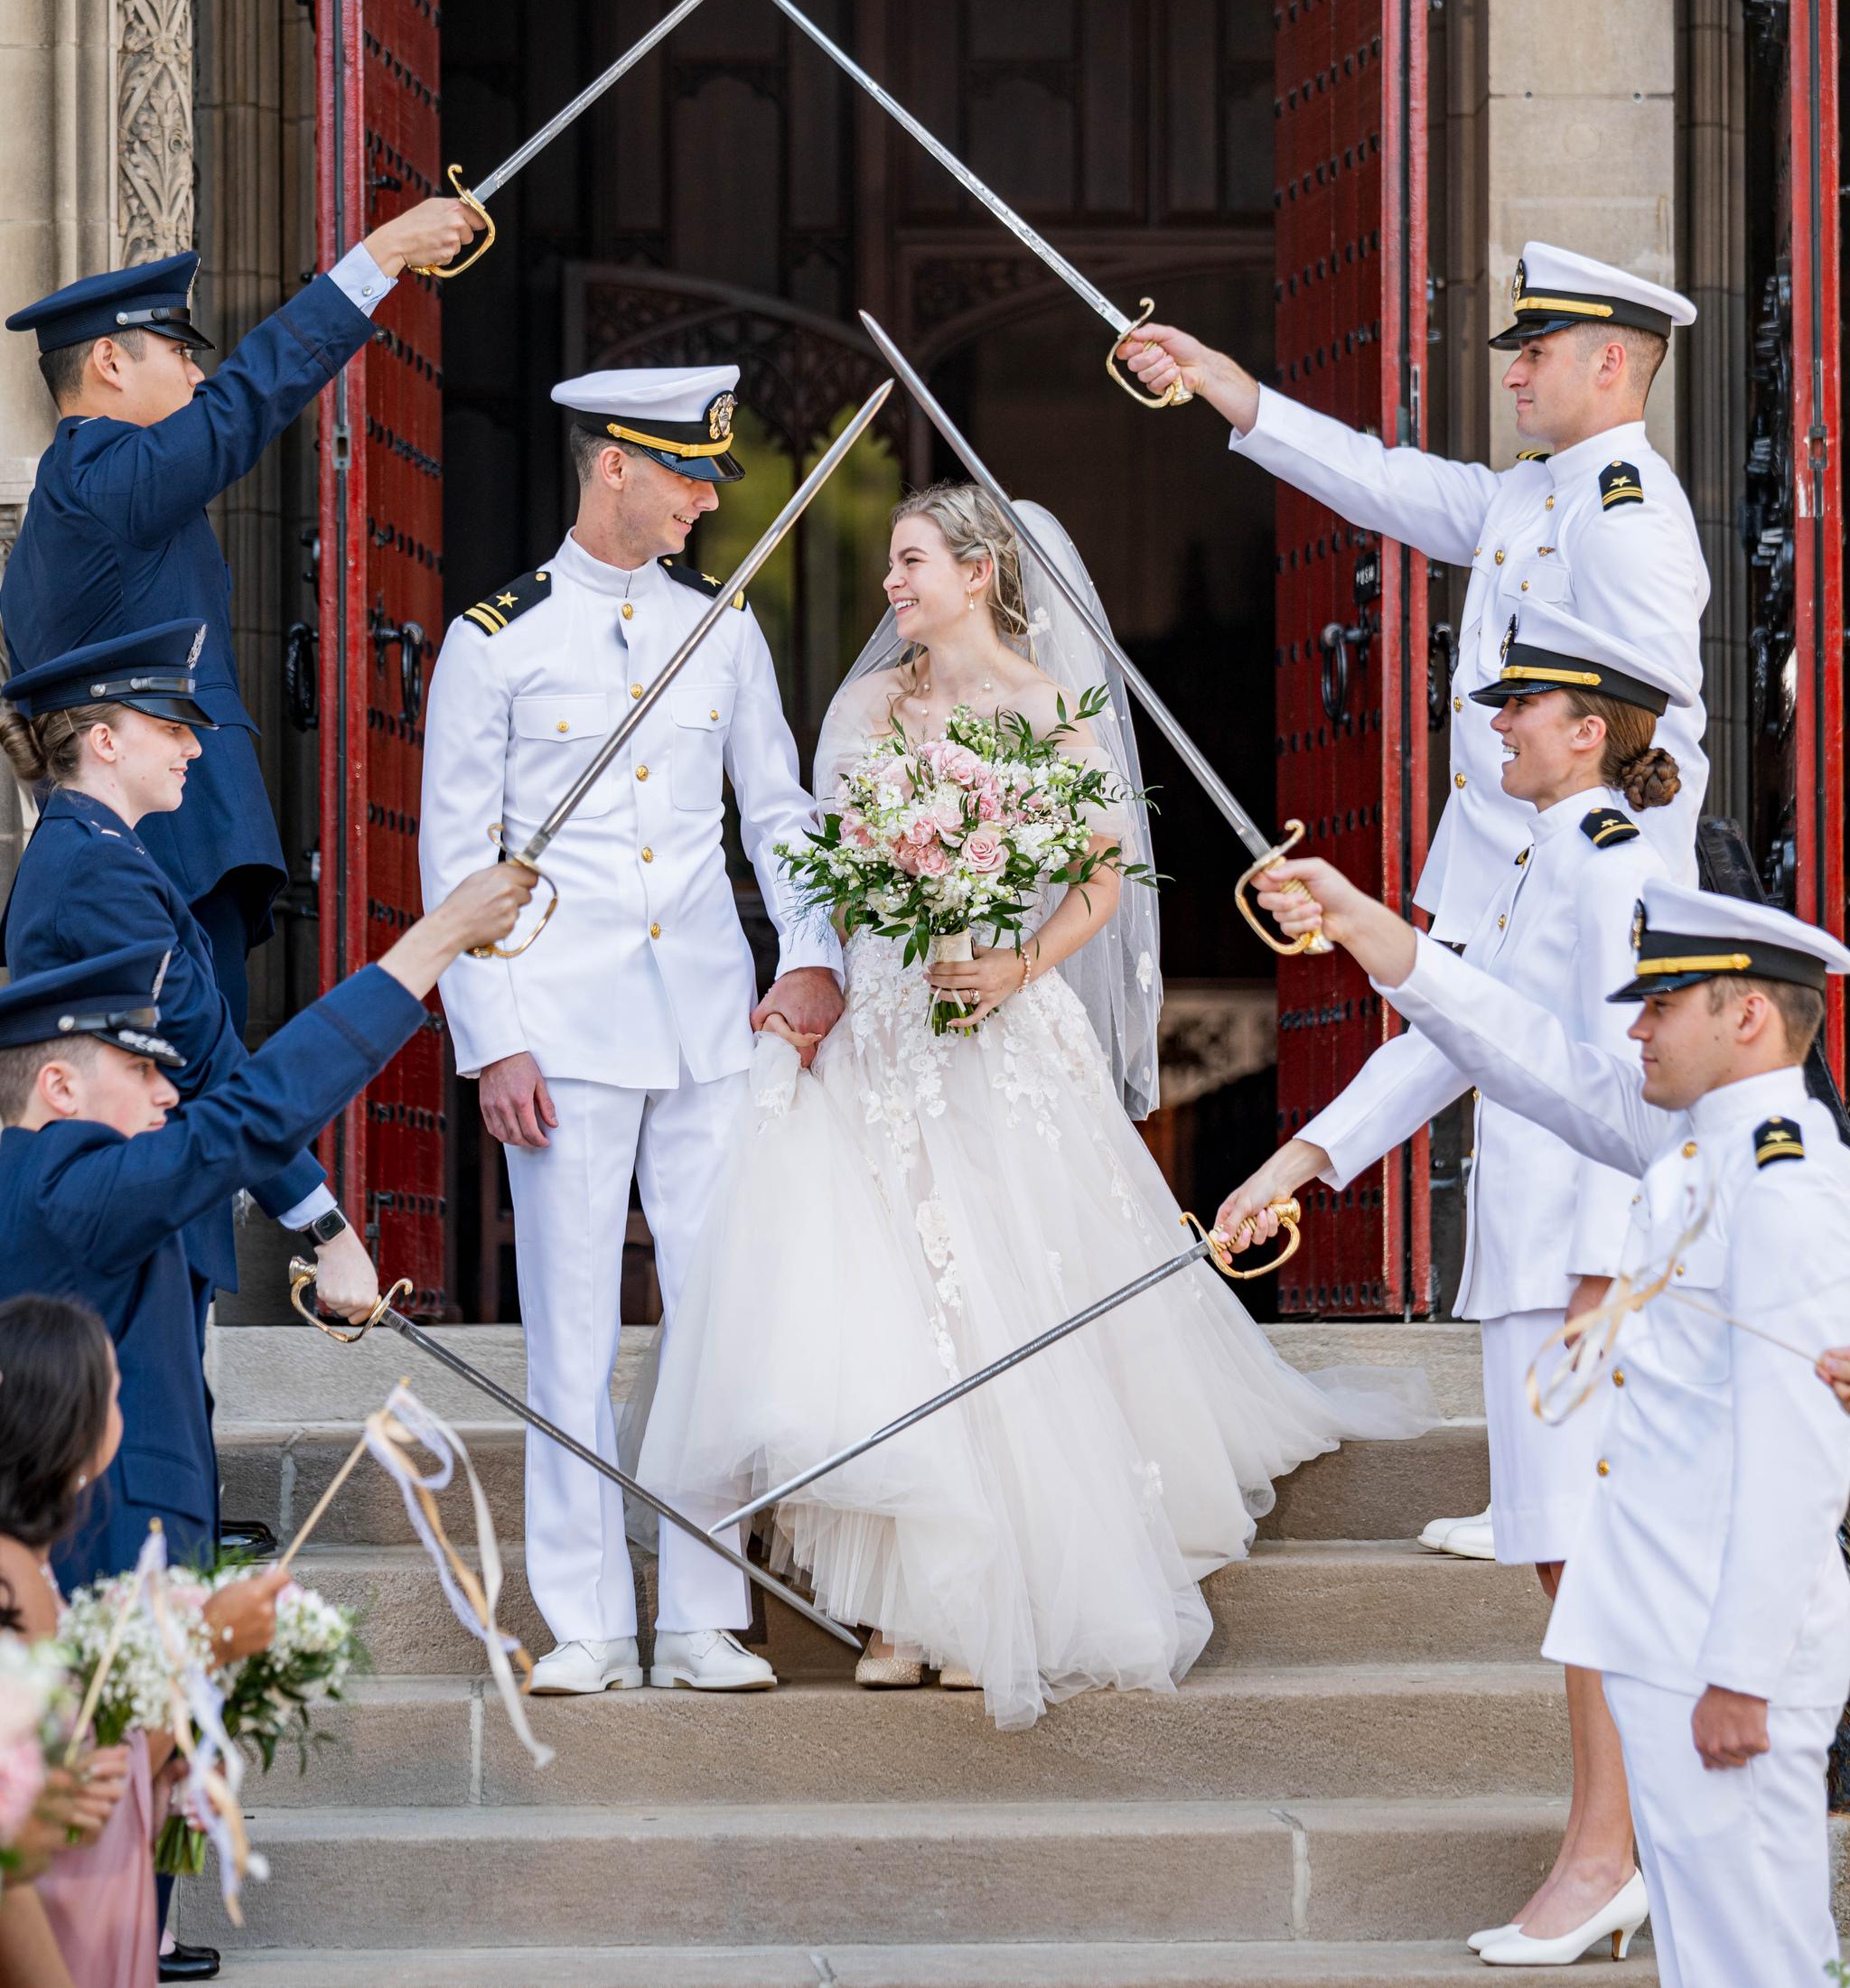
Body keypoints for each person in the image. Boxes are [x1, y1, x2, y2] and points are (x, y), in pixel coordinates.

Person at [636, 485, 1431, 1731]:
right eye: (892, 564)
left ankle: (987, 1593)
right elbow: (829, 871)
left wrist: (1013, 960)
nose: (890, 585)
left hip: (1007, 1024)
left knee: (1008, 1292)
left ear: (977, 570)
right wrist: (875, 927)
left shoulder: (1054, 705)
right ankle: (902, 1609)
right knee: (890, 1302)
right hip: (894, 1028)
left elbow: (1102, 886)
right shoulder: (866, 704)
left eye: (909, 562)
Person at [1122, 238, 1711, 1571]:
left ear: (1611, 362)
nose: (1514, 372)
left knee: (1567, 1151)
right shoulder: (1534, 489)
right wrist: (1227, 387)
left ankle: (1569, 1495)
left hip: (1563, 856)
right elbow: (1385, 484)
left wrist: (1606, 862)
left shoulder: (1624, 511)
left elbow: (1661, 711)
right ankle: (1540, 1489)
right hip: (1513, 847)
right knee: (1506, 1116)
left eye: (1539, 351)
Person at [1249, 857, 1850, 1987]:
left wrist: (1741, 1669)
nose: (1636, 1031)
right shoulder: (1693, 1147)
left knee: (1758, 1960)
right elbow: (1523, 1050)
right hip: (1662, 1629)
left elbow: (1794, 1448)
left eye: (1663, 1005)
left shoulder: (1777, 1182)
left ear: (1750, 1015)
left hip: (1723, 1641)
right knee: (1712, 1960)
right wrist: (1372, 931)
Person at [1218, 603, 1687, 1962]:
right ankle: (1631, 1831)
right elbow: (1457, 1033)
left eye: (1520, 709)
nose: (1495, 726)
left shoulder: (1611, 868)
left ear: (1588, 731)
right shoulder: (1546, 858)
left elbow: (1633, 1072)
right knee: (1562, 1560)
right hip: (1537, 1257)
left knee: (1586, 1564)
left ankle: (1611, 1850)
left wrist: (1609, 1277)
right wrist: (1302, 1160)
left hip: (1578, 1268)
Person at [418, 365, 844, 1695]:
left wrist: (816, 954)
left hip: (714, 1016)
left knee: (711, 1320)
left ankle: (703, 1611)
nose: (707, 497)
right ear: (613, 465)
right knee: (575, 1333)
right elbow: (457, 853)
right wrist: (492, 1037)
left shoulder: (721, 630)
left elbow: (774, 812)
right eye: (685, 471)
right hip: (563, 1022)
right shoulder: (496, 638)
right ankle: (590, 1618)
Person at [1, 194, 479, 1031]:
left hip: (134, 852)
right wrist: (385, 253)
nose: (197, 375)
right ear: (111, 361)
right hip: (170, 855)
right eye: (180, 354)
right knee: (193, 1095)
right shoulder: (107, 479)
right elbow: (244, 404)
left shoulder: (75, 499)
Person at [0, 863, 535, 1597]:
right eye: (139, 1068)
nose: (167, 1093)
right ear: (59, 1087)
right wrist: (437, 939)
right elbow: (249, 1116)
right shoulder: (69, 1181)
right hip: (109, 1579)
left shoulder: (41, 1181)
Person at [0, 622, 379, 1568]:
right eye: (171, 725)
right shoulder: (95, 867)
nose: (195, 745)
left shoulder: (107, 855)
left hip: (133, 1212)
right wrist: (326, 1227)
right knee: (137, 1508)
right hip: (124, 1214)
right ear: (105, 741)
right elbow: (208, 1059)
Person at [0, 1294, 291, 1988]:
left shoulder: (28, 1566)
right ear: (76, 1429)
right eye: (116, 1394)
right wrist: (210, 1641)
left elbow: (84, 1776)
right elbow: (28, 1816)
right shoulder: (11, 1580)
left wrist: (169, 1753)